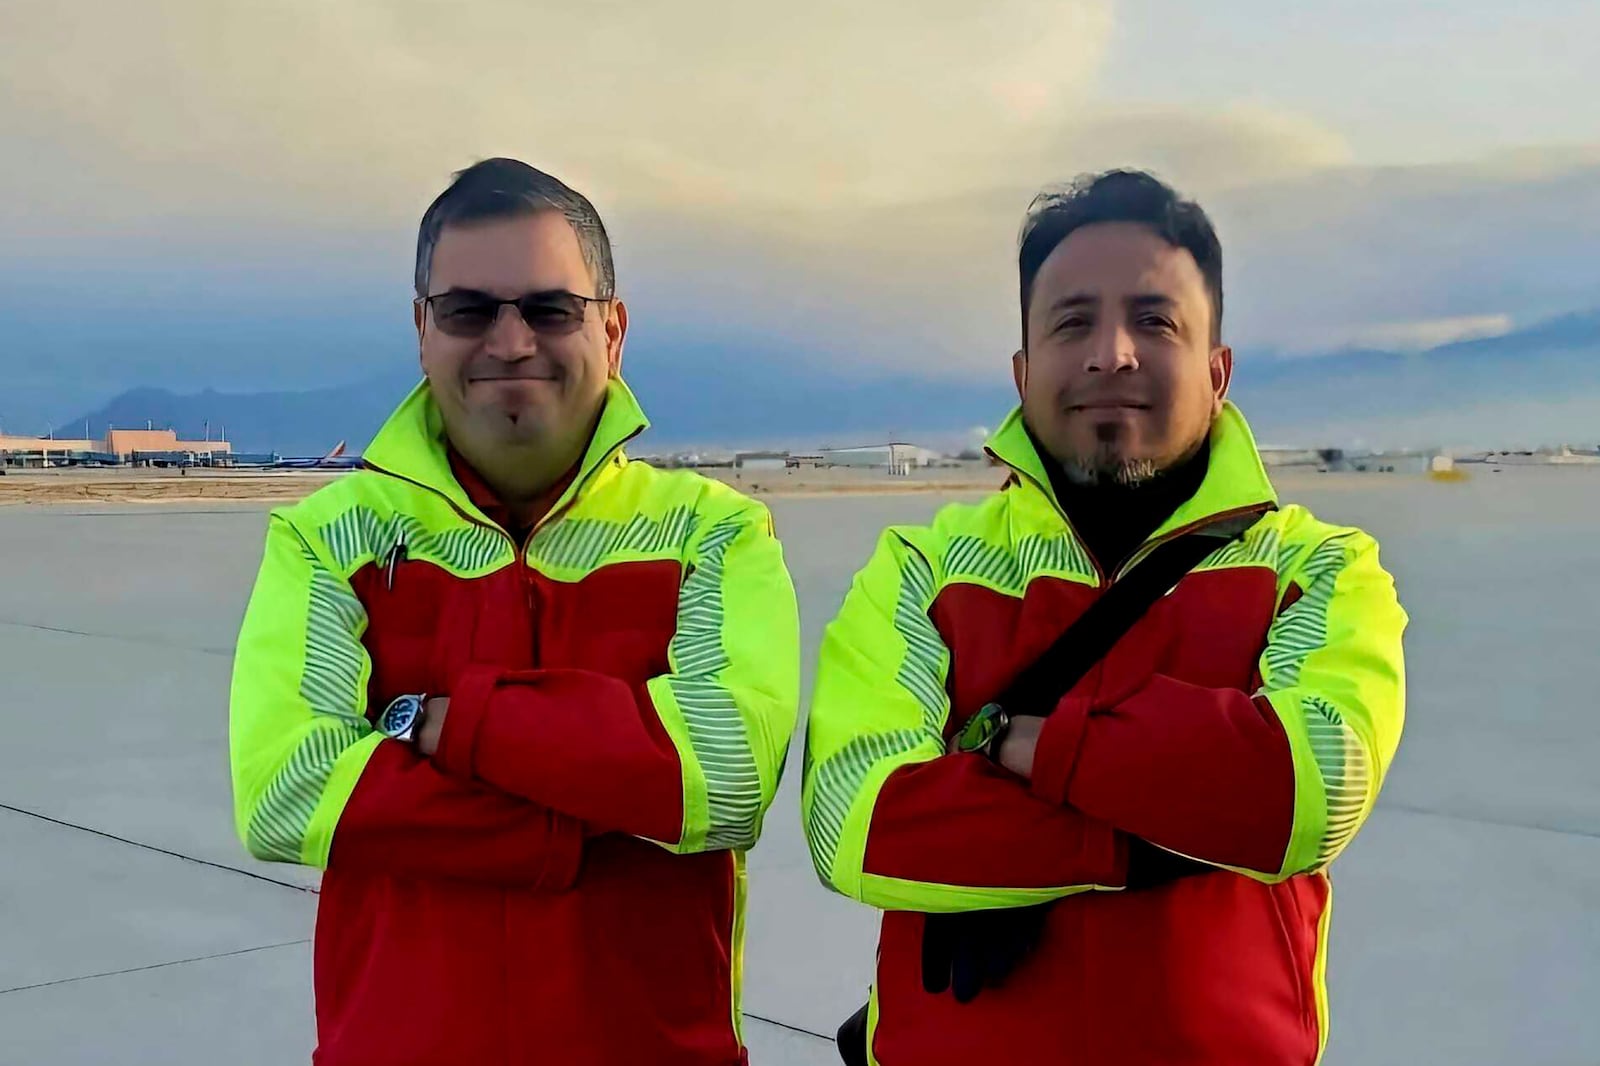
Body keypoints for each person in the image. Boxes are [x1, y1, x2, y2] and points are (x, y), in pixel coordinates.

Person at [802, 169, 1406, 1064]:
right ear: (1023, 369)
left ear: (1218, 369)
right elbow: (854, 823)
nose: (1111, 353)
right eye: (1071, 322)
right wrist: (1182, 823)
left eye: (1155, 321)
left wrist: (1023, 749)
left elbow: (1306, 793)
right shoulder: (922, 568)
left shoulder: (1315, 567)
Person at [230, 158, 800, 1065]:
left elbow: (724, 782)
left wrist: (438, 728)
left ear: (612, 331)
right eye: (467, 311)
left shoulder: (713, 535)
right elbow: (286, 795)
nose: (509, 341)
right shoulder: (326, 540)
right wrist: (591, 801)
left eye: (548, 309)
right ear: (422, 330)